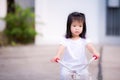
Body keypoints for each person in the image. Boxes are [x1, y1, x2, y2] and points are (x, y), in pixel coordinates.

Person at [51, 12, 99, 80]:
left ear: (83, 27)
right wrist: (57, 55)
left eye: (80, 26)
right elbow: (61, 47)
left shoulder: (84, 38)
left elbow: (89, 46)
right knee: (64, 75)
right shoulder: (65, 38)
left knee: (85, 75)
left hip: (82, 66)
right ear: (69, 26)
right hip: (67, 66)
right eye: (74, 26)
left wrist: (94, 52)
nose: (77, 28)